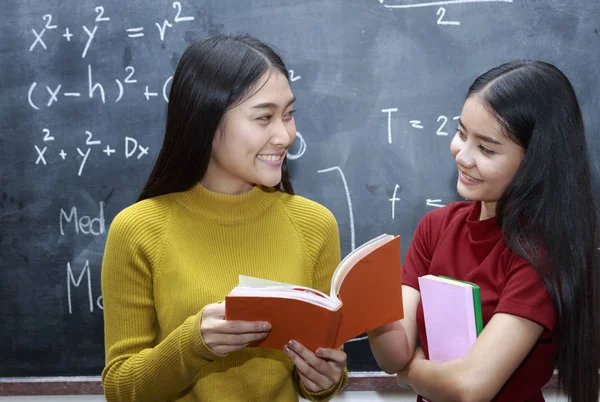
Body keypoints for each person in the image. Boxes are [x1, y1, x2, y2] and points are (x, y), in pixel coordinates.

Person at [101, 33, 347, 402]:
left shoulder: (314, 224)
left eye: (289, 114)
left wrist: (325, 379)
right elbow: (121, 389)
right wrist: (193, 343)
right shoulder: (138, 229)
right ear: (205, 120)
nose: (284, 135)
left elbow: (320, 371)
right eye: (264, 117)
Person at [368, 60, 599, 402]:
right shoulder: (436, 227)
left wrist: (411, 373)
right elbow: (393, 356)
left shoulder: (540, 257)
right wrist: (373, 312)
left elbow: (470, 387)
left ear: (535, 161)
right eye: (462, 133)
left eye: (487, 148)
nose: (463, 156)